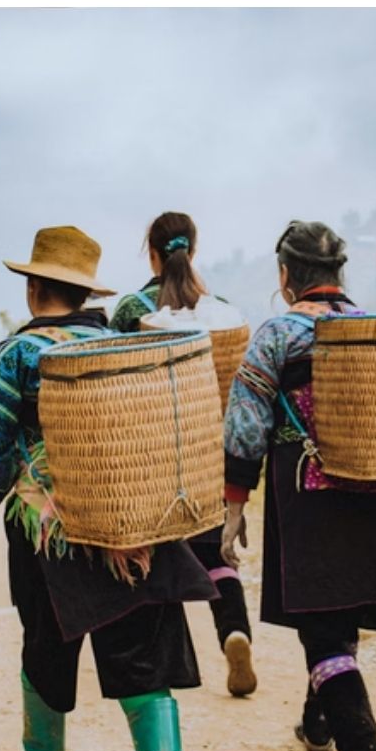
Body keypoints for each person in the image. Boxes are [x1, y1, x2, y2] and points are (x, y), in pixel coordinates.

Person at [221, 220, 376, 751]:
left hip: (315, 500)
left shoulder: (277, 335)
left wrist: (235, 505)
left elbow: (245, 426)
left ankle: (364, 746)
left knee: (324, 634)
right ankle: (317, 724)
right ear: (339, 272)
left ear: (285, 275)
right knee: (336, 621)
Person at [0, 226, 216, 751]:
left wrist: (0, 487)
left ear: (33, 288)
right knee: (145, 668)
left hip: (50, 537)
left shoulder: (17, 354)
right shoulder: (125, 346)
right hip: (135, 528)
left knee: (47, 658)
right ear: (86, 295)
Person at [111, 211, 257, 698]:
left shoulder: (132, 309)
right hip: (208, 452)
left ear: (151, 252)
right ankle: (233, 630)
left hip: (151, 452)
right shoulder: (224, 311)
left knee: (151, 550)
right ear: (191, 252)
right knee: (216, 552)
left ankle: (153, 664)